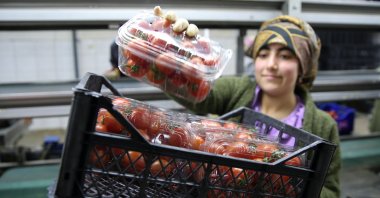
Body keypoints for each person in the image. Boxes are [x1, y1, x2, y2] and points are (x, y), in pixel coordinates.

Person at [169, 15, 341, 198]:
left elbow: (330, 190)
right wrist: (175, 51)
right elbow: (197, 92)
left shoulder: (324, 125)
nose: (271, 65)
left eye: (285, 56)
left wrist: (292, 191)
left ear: (303, 67)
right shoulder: (239, 90)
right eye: (264, 54)